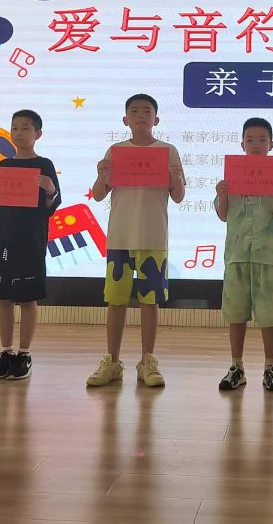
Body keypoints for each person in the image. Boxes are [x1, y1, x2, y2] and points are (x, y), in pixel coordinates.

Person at [87, 94, 185, 388]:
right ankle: (112, 362)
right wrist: (102, 174)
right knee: (115, 301)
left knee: (150, 302)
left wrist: (175, 177)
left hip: (153, 237)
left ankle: (147, 361)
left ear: (156, 119)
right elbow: (99, 194)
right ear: (125, 119)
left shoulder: (168, 151)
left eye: (146, 111)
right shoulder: (115, 151)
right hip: (120, 237)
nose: (141, 115)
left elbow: (178, 196)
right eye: (134, 111)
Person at [213, 118, 273, 392]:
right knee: (236, 313)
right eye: (250, 140)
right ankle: (236, 367)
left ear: (271, 144)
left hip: (269, 256)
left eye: (262, 140)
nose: (256, 144)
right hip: (237, 254)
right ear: (242, 144)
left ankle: (270, 367)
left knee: (269, 315)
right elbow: (223, 215)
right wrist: (222, 194)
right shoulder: (232, 177)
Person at [0, 110, 60, 381]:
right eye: (15, 128)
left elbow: (51, 207)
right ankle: (6, 353)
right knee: (4, 297)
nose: (19, 133)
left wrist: (50, 190)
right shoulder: (3, 165)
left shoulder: (44, 165)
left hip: (30, 239)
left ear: (38, 134)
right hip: (2, 237)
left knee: (28, 297)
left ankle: (24, 354)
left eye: (25, 128)